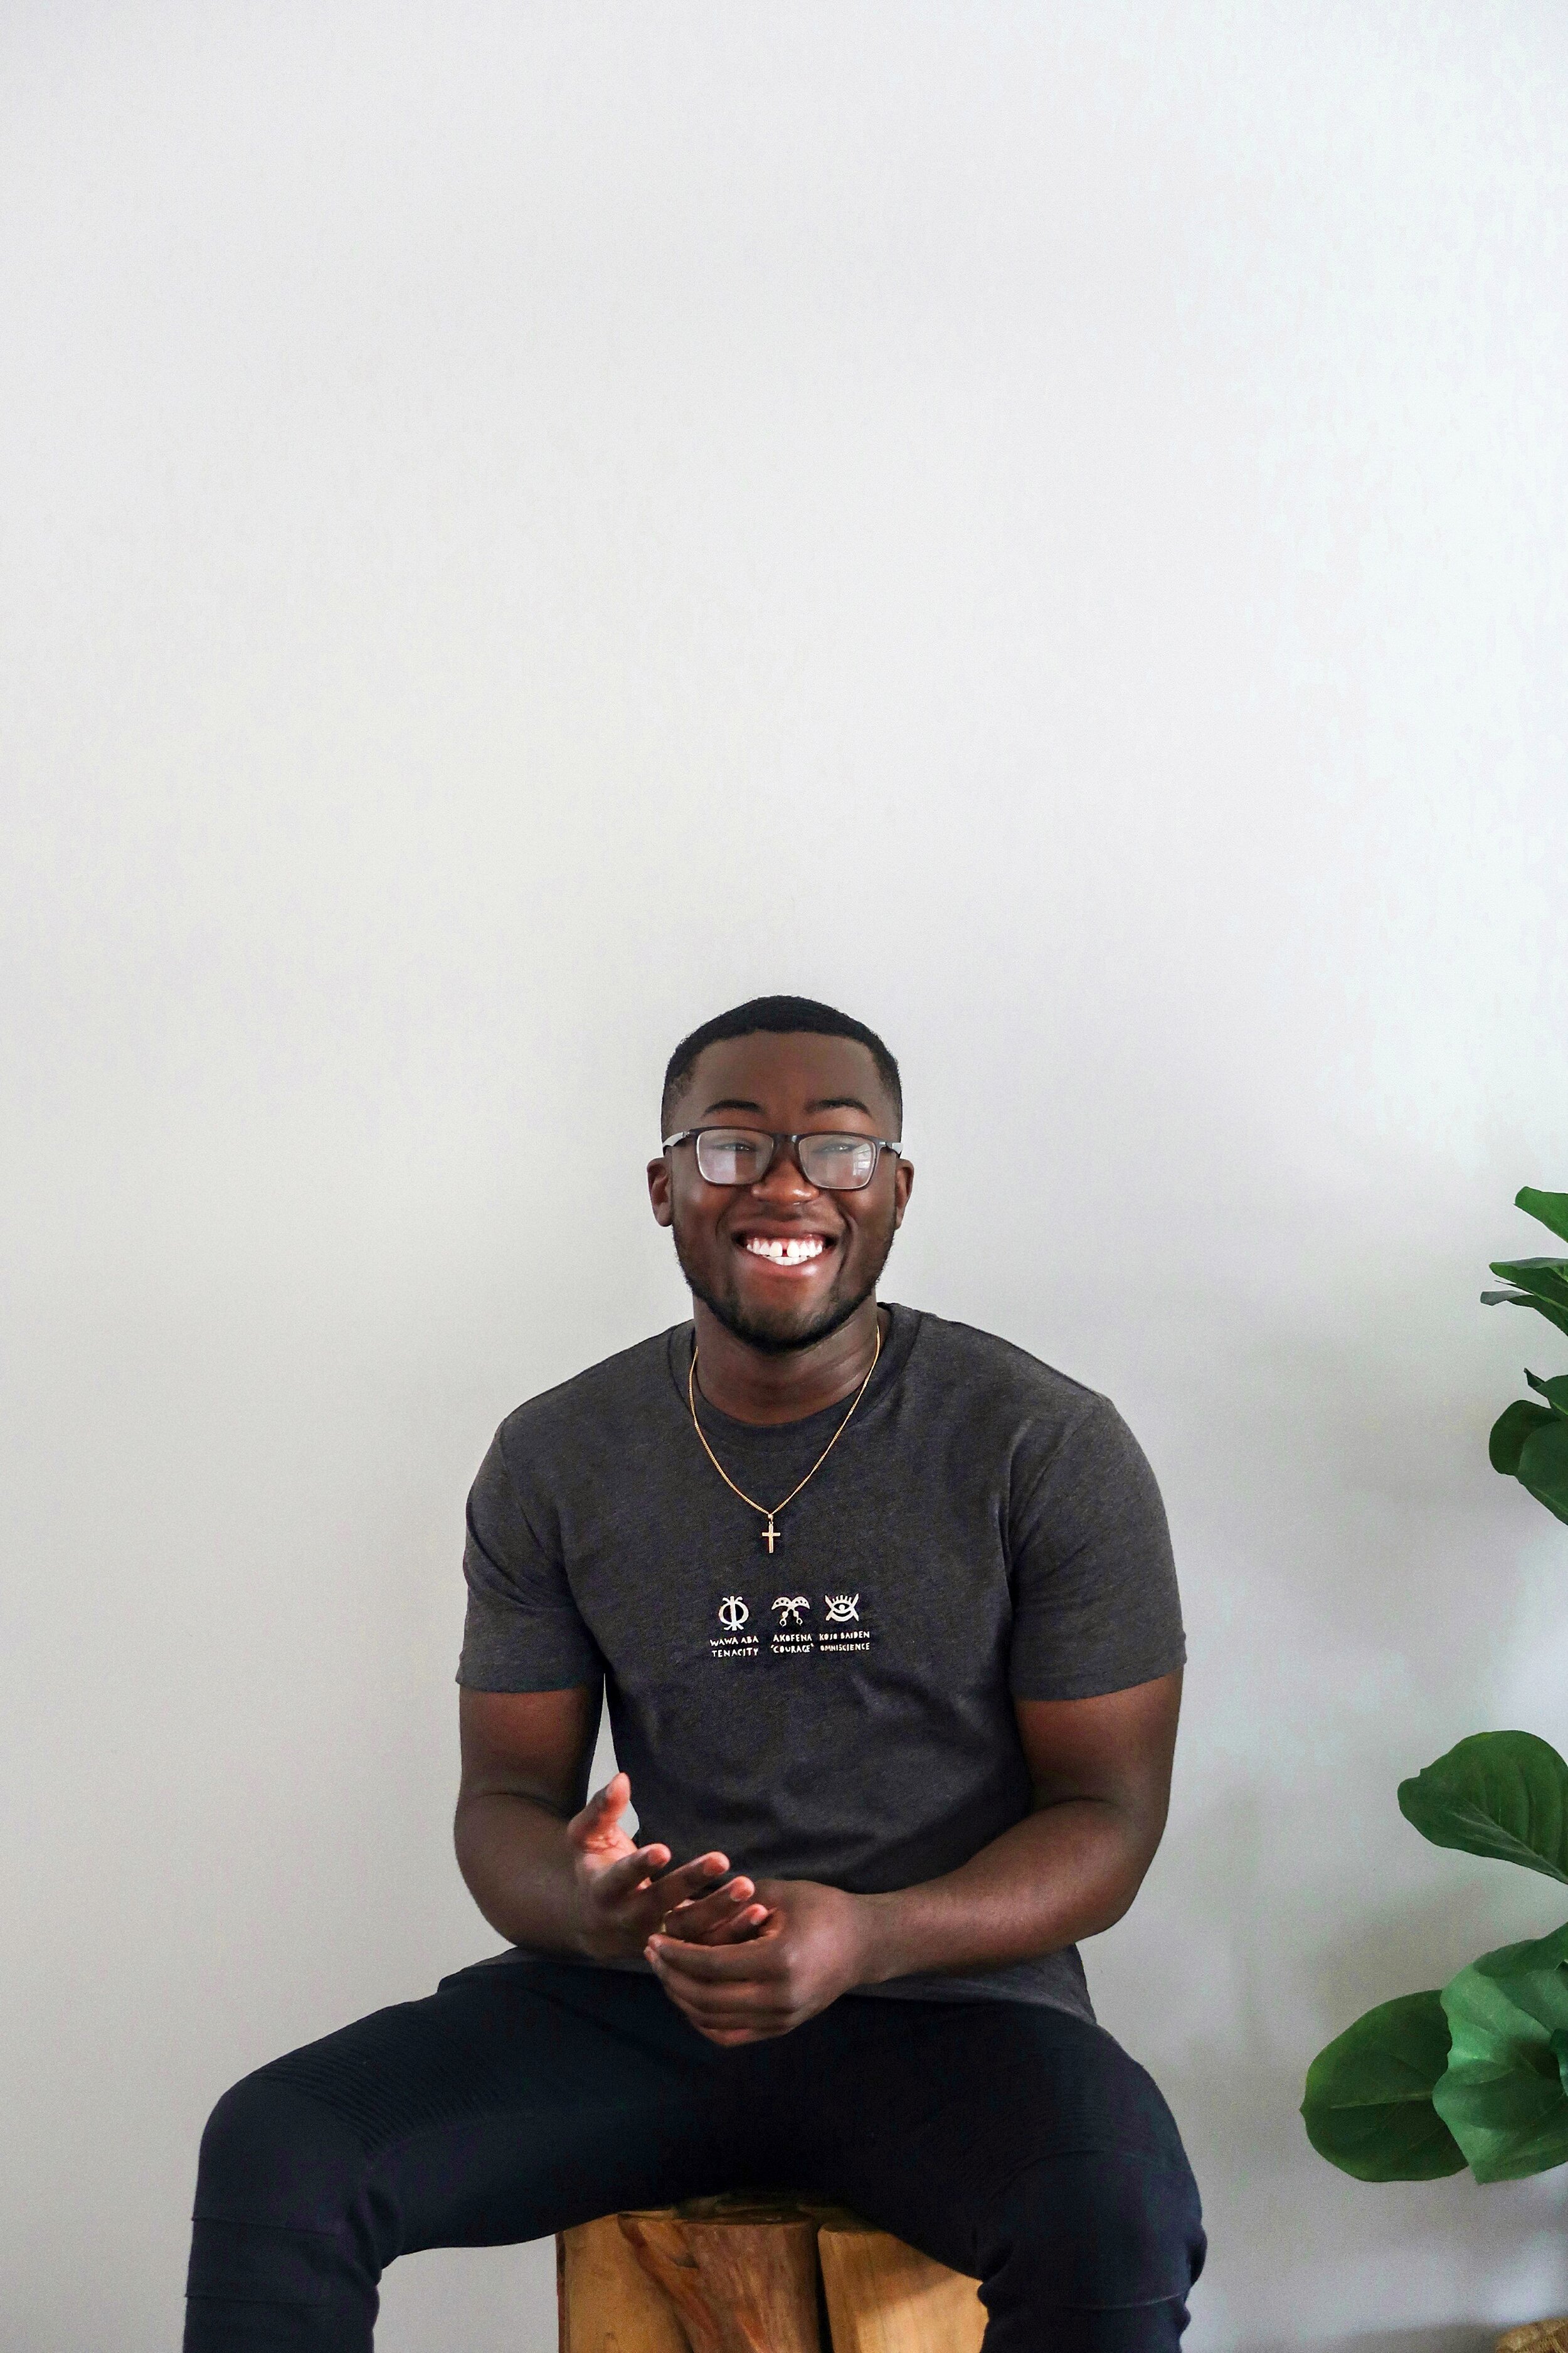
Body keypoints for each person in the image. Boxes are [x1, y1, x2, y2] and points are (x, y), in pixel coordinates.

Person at [185, 995, 1204, 2352]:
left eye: (838, 1147)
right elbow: (503, 1802)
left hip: (950, 2009)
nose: (785, 1184)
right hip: (645, 2000)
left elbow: (1107, 1823)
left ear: (896, 1190)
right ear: (665, 1188)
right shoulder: (558, 1456)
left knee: (1116, 2213)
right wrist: (589, 1907)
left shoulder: (1043, 1446)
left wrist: (870, 1934)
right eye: (729, 1146)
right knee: (284, 2144)